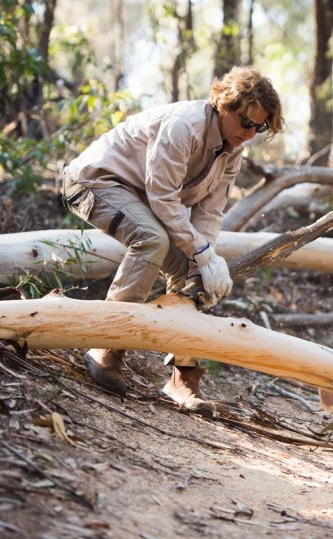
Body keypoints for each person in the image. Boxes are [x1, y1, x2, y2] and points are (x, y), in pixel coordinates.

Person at [62, 66, 284, 407]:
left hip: (141, 198)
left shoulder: (234, 150)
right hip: (95, 182)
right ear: (225, 105)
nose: (250, 133)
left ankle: (183, 376)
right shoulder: (185, 125)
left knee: (190, 273)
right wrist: (201, 251)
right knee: (152, 239)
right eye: (246, 123)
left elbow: (210, 211)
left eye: (259, 127)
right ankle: (105, 344)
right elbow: (162, 196)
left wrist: (204, 257)